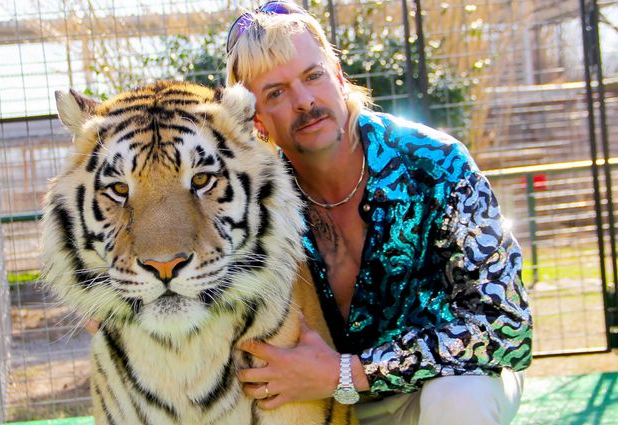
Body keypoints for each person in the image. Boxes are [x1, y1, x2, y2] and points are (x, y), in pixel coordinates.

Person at [225, 2, 533, 424]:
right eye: (276, 92)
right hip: (322, 403)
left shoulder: (437, 163)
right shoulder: (254, 205)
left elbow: (508, 327)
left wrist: (349, 373)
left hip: (436, 387)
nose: (304, 101)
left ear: (336, 74)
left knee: (460, 397)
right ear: (257, 121)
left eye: (313, 76)